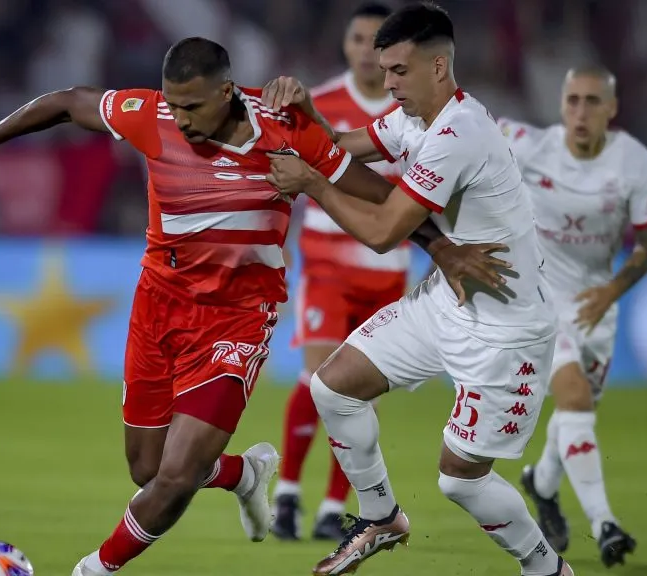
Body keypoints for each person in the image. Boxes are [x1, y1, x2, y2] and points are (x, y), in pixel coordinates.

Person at [0, 36, 507, 576]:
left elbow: (375, 191)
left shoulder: (285, 129)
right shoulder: (151, 115)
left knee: (173, 478)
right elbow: (71, 101)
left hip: (238, 319)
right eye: (173, 103)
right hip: (158, 307)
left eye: (193, 106)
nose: (180, 118)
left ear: (227, 92)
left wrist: (445, 250)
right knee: (148, 469)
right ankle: (245, 473)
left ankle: (94, 569)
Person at [262, 4, 574, 575]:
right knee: (332, 387)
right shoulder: (414, 118)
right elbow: (338, 147)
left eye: (399, 71)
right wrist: (306, 115)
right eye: (384, 71)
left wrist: (311, 184)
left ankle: (545, 567)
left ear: (438, 66)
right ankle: (381, 517)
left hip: (506, 332)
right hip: (445, 301)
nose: (387, 85)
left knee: (459, 480)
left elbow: (383, 232)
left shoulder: (460, 132)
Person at [499, 65, 647, 568]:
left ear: (612, 109)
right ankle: (605, 524)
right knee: (572, 397)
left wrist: (613, 290)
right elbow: (462, 133)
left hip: (597, 305)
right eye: (572, 100)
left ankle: (541, 483)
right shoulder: (530, 146)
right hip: (540, 298)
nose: (580, 112)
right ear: (561, 104)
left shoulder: (634, 162)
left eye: (593, 101)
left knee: (578, 415)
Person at [272, 1, 406, 543]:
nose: (367, 52)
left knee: (358, 395)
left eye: (378, 43)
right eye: (358, 39)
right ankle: (286, 492)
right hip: (326, 262)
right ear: (346, 45)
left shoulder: (411, 113)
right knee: (315, 376)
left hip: (387, 267)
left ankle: (333, 504)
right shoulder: (320, 102)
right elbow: (280, 176)